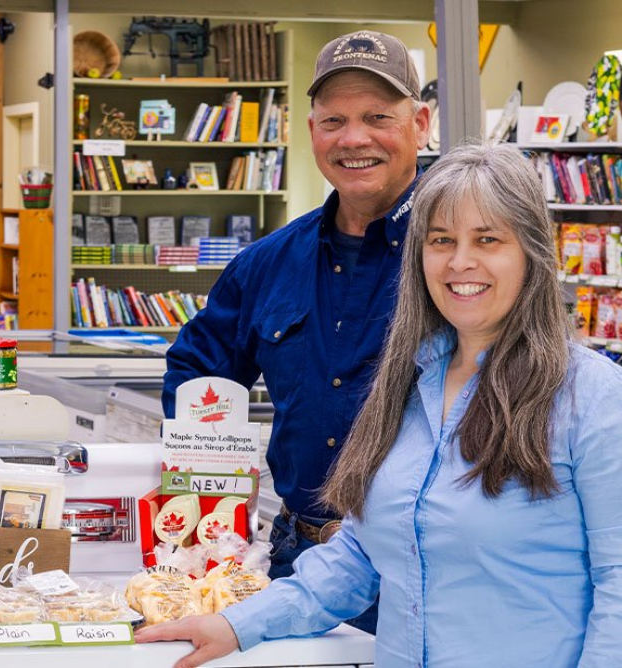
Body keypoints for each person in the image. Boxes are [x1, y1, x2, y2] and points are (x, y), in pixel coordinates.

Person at [138, 142, 622, 667]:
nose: (461, 262)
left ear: (531, 252)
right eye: (441, 240)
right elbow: (361, 555)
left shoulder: (591, 398)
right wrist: (237, 623)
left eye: (488, 239)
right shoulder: (407, 385)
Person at [161, 30, 430, 634]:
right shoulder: (268, 261)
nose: (353, 138)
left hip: (422, 571)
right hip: (293, 559)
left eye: (377, 117)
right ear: (310, 131)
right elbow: (198, 373)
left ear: (421, 122)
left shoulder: (459, 258)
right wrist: (207, 493)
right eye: (334, 119)